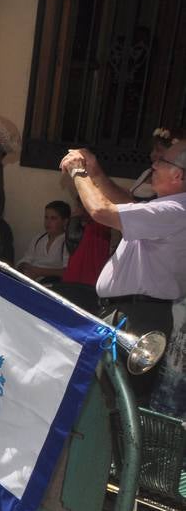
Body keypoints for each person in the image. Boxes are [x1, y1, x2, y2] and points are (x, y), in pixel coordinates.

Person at [61, 139, 186, 398]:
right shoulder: (165, 207)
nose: (154, 164)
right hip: (128, 312)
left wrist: (79, 172)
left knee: (117, 401)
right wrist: (95, 172)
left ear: (179, 175)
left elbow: (101, 210)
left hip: (140, 316)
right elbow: (126, 204)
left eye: (162, 161)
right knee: (101, 397)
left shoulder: (175, 211)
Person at [17, 200, 70, 283]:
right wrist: (24, 266)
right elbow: (27, 258)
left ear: (65, 221)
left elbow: (67, 272)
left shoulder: (67, 242)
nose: (48, 222)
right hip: (30, 279)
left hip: (51, 284)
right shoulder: (38, 238)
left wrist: (40, 271)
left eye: (53, 218)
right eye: (46, 217)